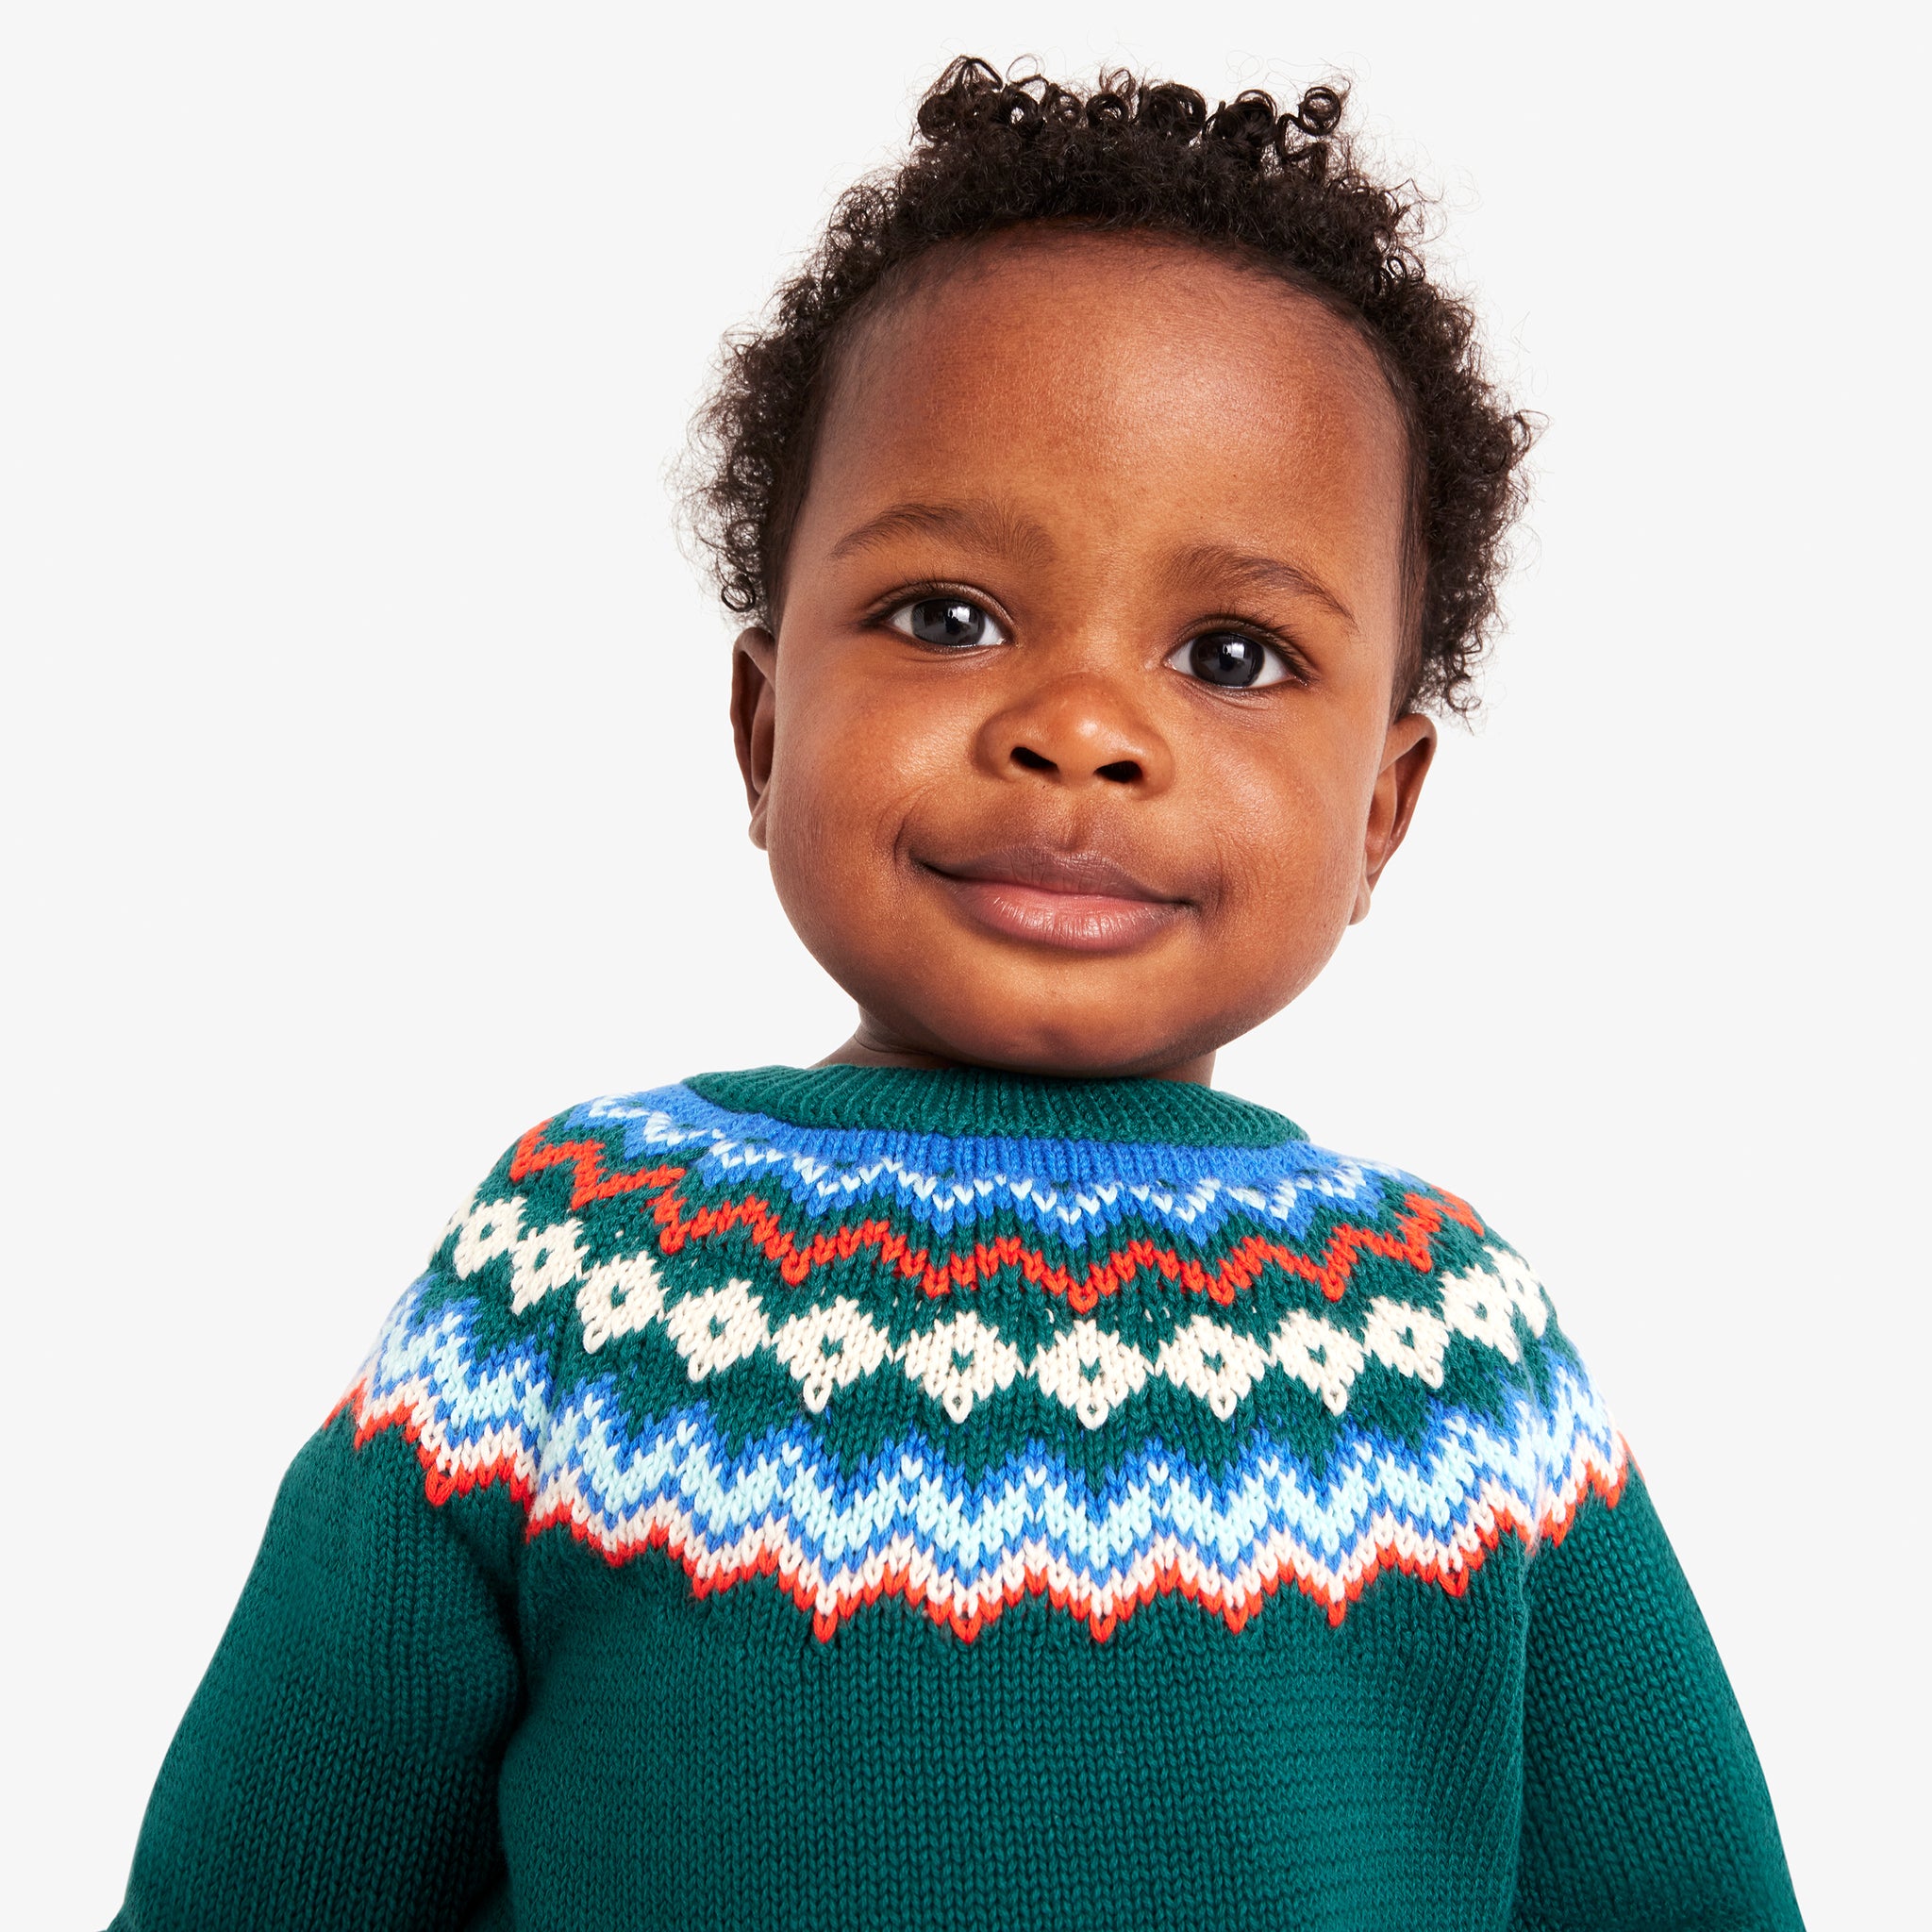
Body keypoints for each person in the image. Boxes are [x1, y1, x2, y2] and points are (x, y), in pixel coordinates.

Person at [111, 58, 1803, 1931]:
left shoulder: (1447, 1359)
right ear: (764, 725)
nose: (1080, 728)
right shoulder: (576, 1279)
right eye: (947, 618)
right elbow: (255, 1879)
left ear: (1382, 811)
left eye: (1232, 653)